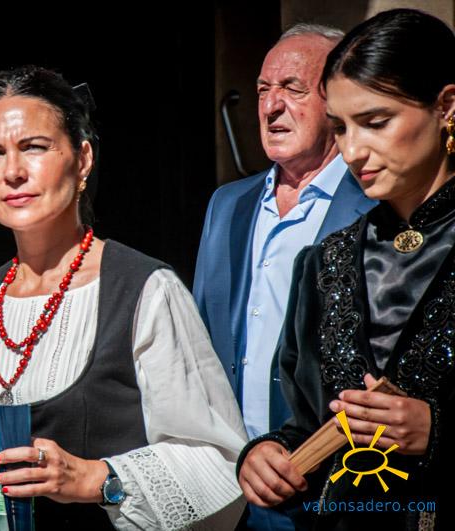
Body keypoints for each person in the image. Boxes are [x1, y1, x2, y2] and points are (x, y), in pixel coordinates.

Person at [0, 66, 247, 531]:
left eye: (34, 147)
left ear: (83, 158)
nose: (12, 172)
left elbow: (218, 464)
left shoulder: (143, 289)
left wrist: (97, 478)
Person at [237, 8, 455, 530]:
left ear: (445, 107)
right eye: (340, 127)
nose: (353, 150)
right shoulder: (327, 261)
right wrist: (268, 454)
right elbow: (310, 421)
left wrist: (436, 430)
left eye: (376, 122)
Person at [193, 24, 377, 529]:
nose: (271, 107)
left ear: (336, 100)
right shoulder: (227, 204)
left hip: (330, 490)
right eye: (262, 90)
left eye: (292, 89)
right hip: (230, 487)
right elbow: (201, 347)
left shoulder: (375, 207)